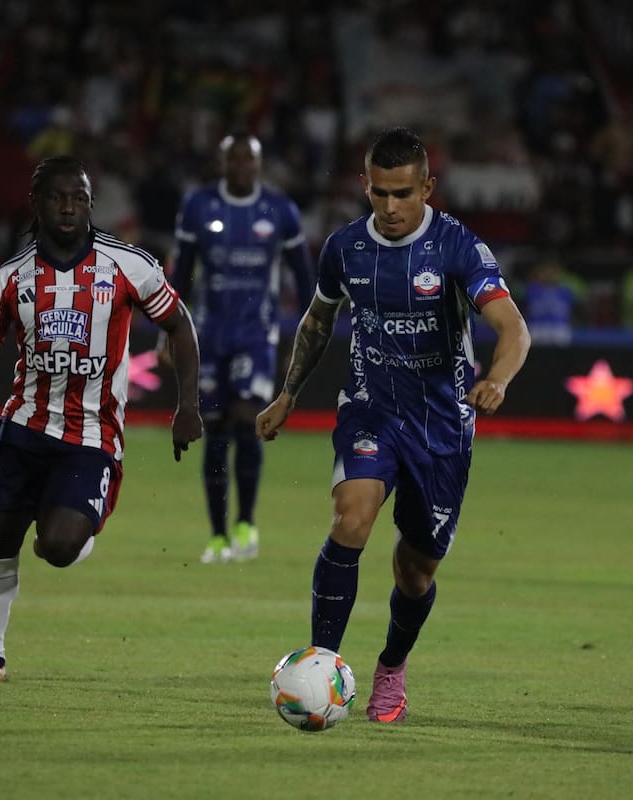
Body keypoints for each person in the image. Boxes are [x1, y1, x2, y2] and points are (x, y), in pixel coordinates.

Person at [255, 127, 531, 722]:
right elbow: (315, 323)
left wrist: (499, 379)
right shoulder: (345, 247)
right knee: (351, 517)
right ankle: (320, 665)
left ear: (427, 187)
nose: (390, 206)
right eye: (379, 193)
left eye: (403, 193)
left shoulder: (459, 248)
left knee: (415, 567)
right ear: (364, 186)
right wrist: (287, 395)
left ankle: (391, 666)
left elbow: (513, 328)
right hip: (370, 409)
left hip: (441, 428)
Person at [0, 156, 203, 684]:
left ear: (90, 204)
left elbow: (179, 326)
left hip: (92, 435)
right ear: (36, 203)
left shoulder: (128, 266)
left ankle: (68, 527)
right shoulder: (9, 279)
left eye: (79, 197)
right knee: (1, 534)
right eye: (57, 197)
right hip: (22, 428)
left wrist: (188, 405)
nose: (68, 206)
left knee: (58, 547)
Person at [163, 132, 313, 564]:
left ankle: (246, 521)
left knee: (247, 420)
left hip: (256, 334)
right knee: (213, 430)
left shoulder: (280, 211)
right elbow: (184, 272)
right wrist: (168, 333)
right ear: (223, 163)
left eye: (250, 161)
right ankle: (217, 535)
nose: (242, 168)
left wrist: (305, 339)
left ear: (259, 166)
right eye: (235, 160)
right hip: (209, 335)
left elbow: (303, 279)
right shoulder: (198, 207)